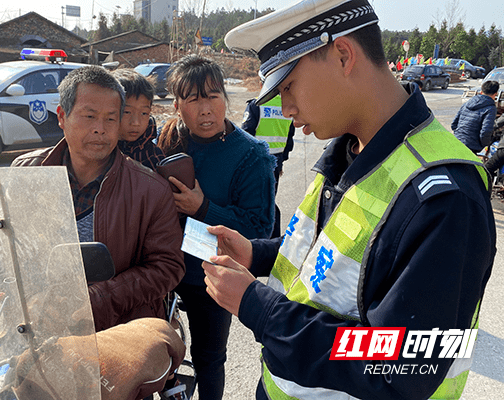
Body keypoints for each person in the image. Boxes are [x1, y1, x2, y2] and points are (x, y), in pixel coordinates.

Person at [201, 1, 496, 399]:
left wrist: (258, 306)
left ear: (342, 55)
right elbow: (338, 257)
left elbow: (401, 365)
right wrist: (257, 254)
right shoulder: (350, 151)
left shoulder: (445, 198)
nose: (285, 110)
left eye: (288, 87)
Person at [11, 66, 185, 333]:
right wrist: (15, 288)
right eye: (89, 116)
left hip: (118, 330)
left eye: (111, 119)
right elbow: (2, 243)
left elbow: (167, 266)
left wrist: (100, 299)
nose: (100, 130)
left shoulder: (150, 190)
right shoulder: (26, 173)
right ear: (62, 116)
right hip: (37, 324)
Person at [157, 54, 276, 400]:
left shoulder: (251, 155)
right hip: (163, 273)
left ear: (225, 99)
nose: (205, 109)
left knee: (209, 360)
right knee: (159, 356)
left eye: (212, 96)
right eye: (194, 99)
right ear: (178, 106)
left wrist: (203, 207)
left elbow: (259, 229)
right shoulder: (168, 142)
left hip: (212, 277)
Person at [241, 94, 295, 237]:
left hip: (255, 162)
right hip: (276, 161)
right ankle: (272, 239)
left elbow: (245, 135)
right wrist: (282, 161)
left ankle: (259, 241)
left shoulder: (256, 105)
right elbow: (289, 138)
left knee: (253, 202)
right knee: (270, 199)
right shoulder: (288, 106)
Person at [112, 68, 166, 171]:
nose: (136, 123)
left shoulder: (154, 156)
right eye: (127, 112)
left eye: (144, 113)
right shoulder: (100, 151)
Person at [451, 80, 499, 153]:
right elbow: (486, 131)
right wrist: (484, 144)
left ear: (481, 92)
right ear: (496, 94)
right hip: (471, 147)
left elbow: (454, 125)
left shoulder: (467, 103)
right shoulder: (491, 108)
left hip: (456, 142)